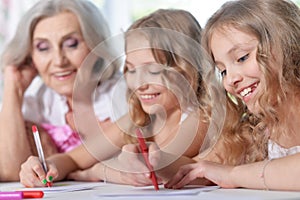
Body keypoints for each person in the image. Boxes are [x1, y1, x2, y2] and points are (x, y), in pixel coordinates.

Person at [19, 8, 221, 187]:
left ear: (187, 69)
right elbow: (74, 158)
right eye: (131, 70)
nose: (139, 84)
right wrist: (46, 166)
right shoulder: (141, 118)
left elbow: (153, 168)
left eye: (152, 70)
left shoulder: (199, 117)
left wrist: (95, 171)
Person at [165, 0, 300, 191]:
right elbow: (202, 170)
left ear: (285, 43)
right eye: (223, 71)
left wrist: (232, 175)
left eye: (242, 57)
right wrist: (153, 160)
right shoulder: (256, 129)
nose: (230, 80)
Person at [0, 0, 127, 181]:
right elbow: (11, 173)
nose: (59, 60)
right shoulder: (38, 105)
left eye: (71, 44)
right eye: (43, 48)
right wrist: (13, 87)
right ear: (30, 56)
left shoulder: (125, 94)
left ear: (96, 44)